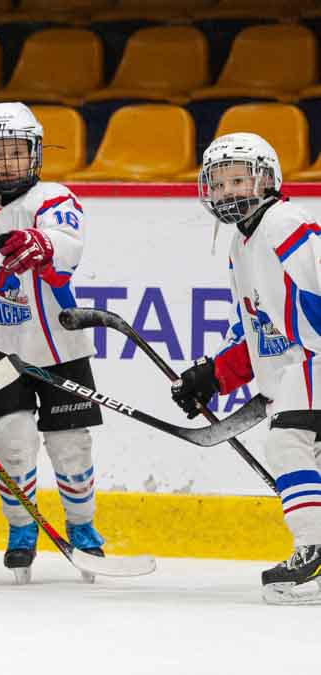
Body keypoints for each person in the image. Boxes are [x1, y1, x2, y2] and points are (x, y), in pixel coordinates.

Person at [0, 102, 104, 584]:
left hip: (57, 346)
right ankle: (21, 529)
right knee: (11, 443)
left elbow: (68, 242)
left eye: (17, 152)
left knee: (71, 446)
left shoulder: (54, 198)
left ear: (34, 153)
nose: (7, 163)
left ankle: (82, 527)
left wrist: (45, 244)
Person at [172, 132, 321, 605]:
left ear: (268, 179)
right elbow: (260, 332)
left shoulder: (285, 221)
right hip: (298, 365)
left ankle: (313, 552)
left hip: (313, 360)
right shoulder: (242, 242)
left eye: (239, 179)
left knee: (287, 444)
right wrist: (215, 376)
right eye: (218, 184)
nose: (229, 191)